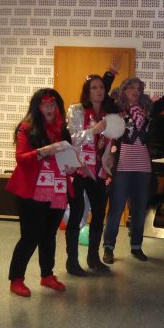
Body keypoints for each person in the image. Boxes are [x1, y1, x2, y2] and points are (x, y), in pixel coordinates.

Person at [101, 65, 164, 264]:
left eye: (139, 89)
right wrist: (110, 74)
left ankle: (136, 246)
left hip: (142, 166)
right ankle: (108, 247)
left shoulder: (147, 110)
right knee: (116, 209)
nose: (136, 91)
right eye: (132, 88)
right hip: (122, 166)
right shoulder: (116, 109)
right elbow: (103, 96)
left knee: (139, 208)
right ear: (124, 90)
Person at [6, 88, 74, 297]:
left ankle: (47, 275)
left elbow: (69, 160)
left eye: (53, 104)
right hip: (32, 190)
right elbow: (21, 159)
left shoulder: (63, 130)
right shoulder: (26, 128)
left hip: (57, 190)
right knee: (30, 236)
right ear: (37, 107)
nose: (49, 108)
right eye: (45, 104)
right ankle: (16, 279)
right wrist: (44, 151)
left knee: (49, 235)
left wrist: (72, 167)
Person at [65, 59, 120, 276]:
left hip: (100, 171)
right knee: (77, 214)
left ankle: (93, 258)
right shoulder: (76, 110)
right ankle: (72, 262)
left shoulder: (109, 115)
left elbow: (113, 142)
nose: (99, 91)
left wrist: (111, 156)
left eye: (102, 87)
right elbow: (71, 139)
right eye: (94, 87)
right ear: (87, 91)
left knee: (99, 214)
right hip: (80, 170)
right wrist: (93, 130)